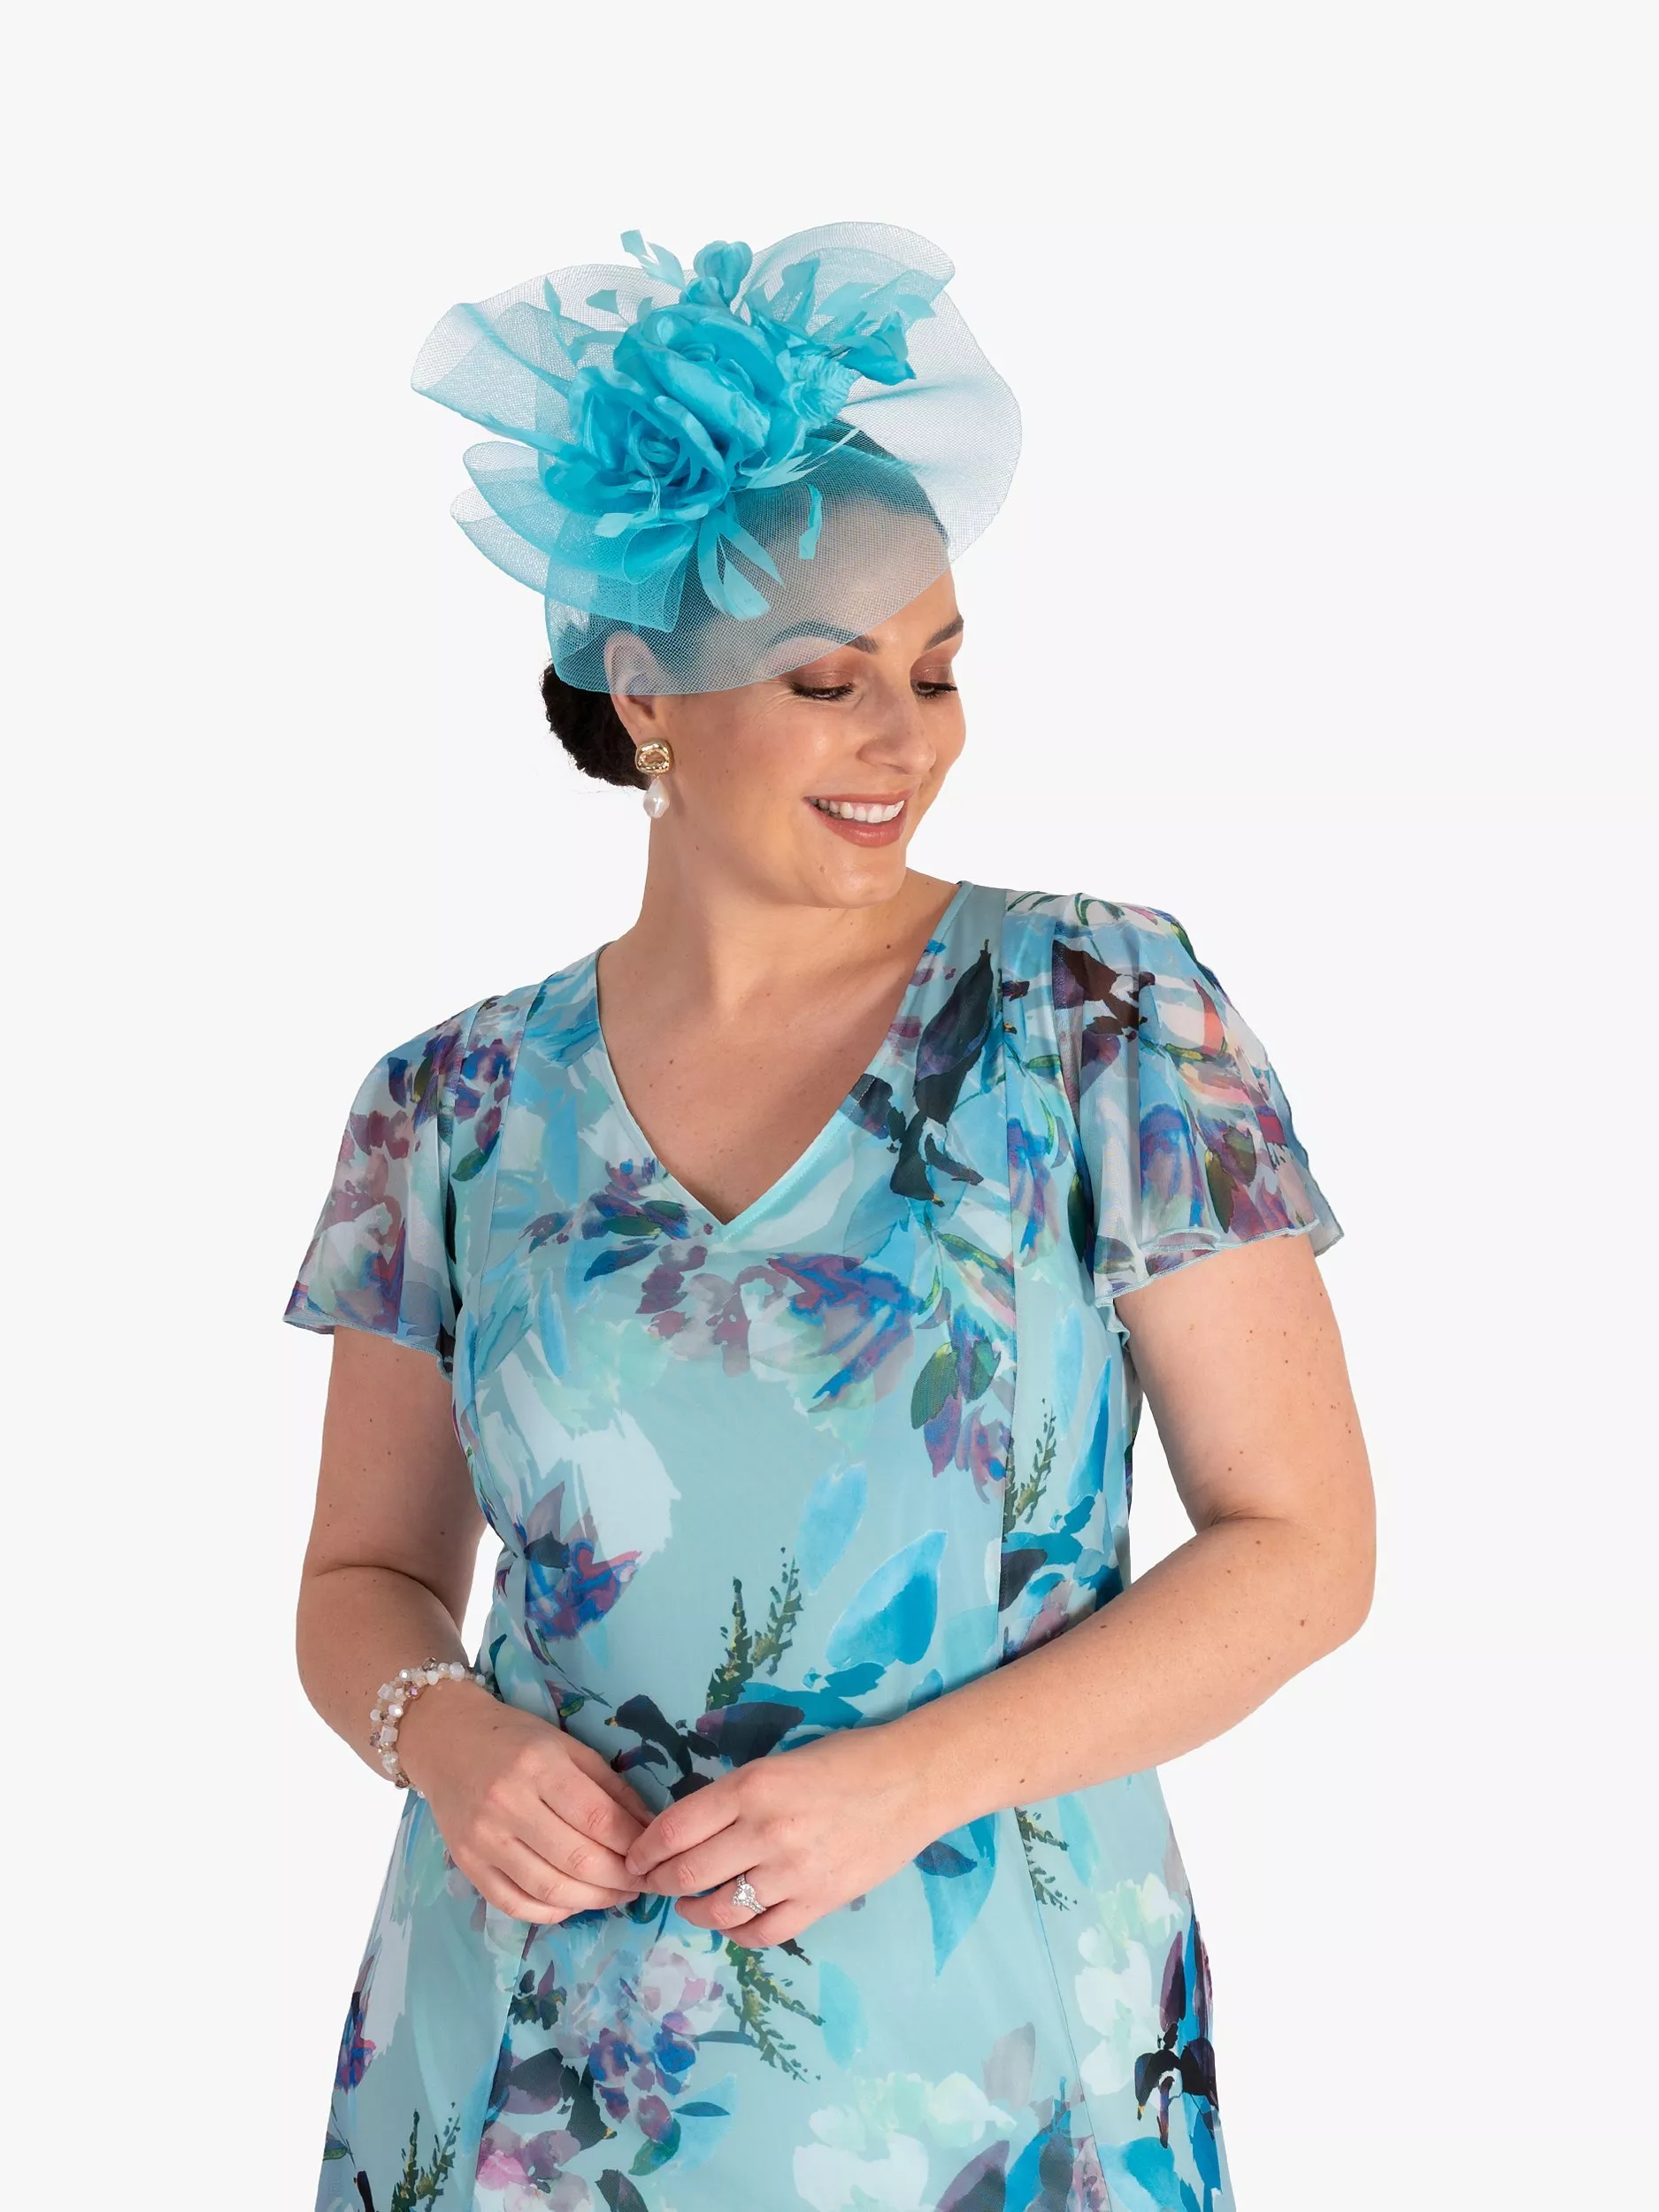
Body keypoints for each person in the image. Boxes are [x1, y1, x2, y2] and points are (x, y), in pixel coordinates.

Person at [285, 223, 1374, 2212]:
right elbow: (360, 1575)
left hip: (991, 2047)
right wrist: (445, 1736)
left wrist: (910, 1781)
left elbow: (1302, 1553)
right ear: (646, 696)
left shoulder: (1098, 1011)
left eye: (938, 672)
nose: (908, 739)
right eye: (829, 680)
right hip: (521, 2053)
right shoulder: (450, 1102)